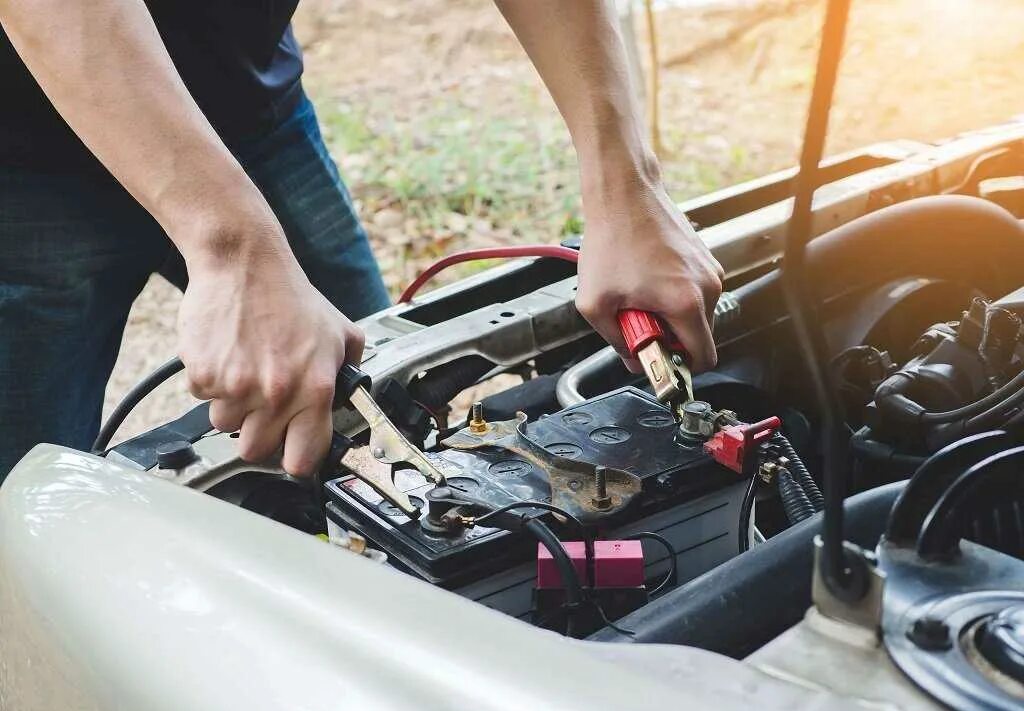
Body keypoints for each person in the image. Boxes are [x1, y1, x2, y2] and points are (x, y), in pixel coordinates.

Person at [0, 1, 723, 479]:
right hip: (23, 163)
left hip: (253, 107)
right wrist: (233, 244)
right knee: (23, 503)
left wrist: (626, 184)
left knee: (381, 404)